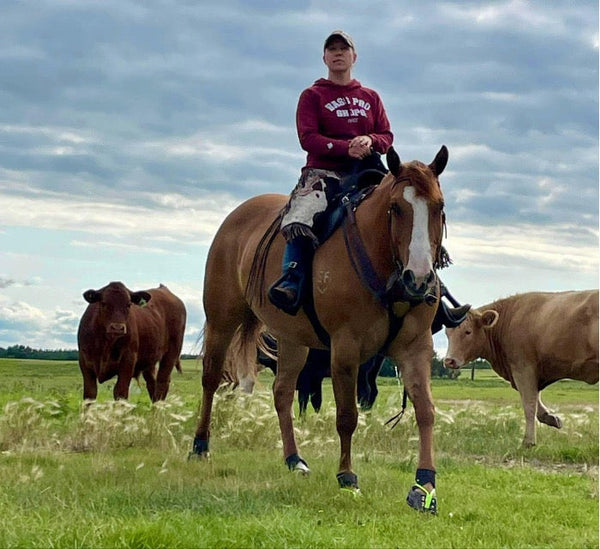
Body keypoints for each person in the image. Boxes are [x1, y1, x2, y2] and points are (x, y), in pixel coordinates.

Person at [268, 30, 469, 331]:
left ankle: (432, 289)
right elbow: (307, 138)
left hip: (367, 172)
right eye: (332, 49)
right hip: (324, 173)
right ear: (324, 58)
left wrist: (370, 139)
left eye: (343, 49)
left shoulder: (370, 97)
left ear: (354, 57)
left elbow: (387, 137)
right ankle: (292, 278)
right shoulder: (312, 96)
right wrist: (343, 146)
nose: (338, 53)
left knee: (407, 211)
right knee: (301, 216)